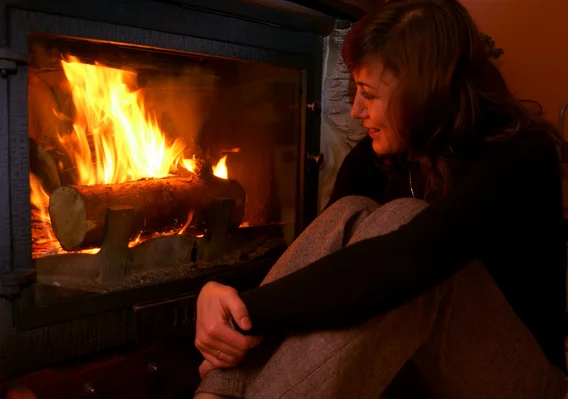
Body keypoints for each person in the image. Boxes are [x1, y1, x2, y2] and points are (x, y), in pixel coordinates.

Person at [194, 0, 568, 397]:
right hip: (414, 369)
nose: (356, 110)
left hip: (520, 382)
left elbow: (412, 259)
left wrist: (245, 311)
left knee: (406, 224)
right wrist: (224, 300)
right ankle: (214, 395)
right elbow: (327, 272)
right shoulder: (375, 160)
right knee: (348, 212)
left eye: (369, 95)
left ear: (422, 92)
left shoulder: (520, 156)